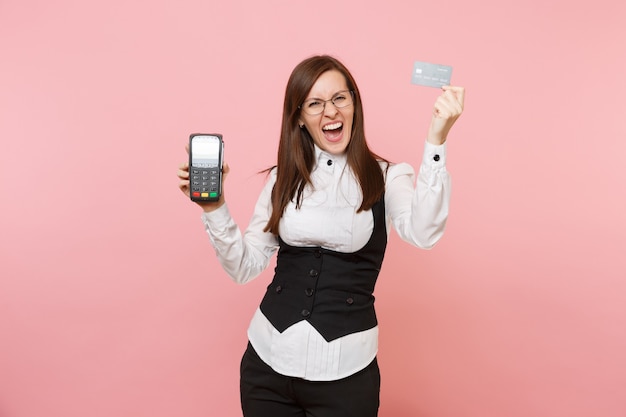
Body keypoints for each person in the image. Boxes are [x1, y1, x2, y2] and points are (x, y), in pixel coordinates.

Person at [177, 54, 464, 417]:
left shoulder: (389, 176)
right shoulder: (283, 179)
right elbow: (243, 268)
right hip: (266, 366)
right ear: (299, 117)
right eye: (314, 103)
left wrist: (436, 139)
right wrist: (213, 207)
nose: (330, 111)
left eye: (339, 98)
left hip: (346, 376)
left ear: (355, 106)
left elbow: (424, 232)